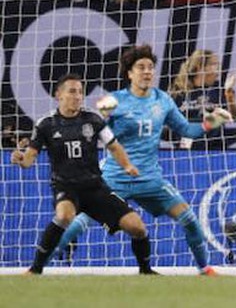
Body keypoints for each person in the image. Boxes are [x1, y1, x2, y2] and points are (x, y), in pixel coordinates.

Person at [53, 45, 233, 275]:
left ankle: (204, 268)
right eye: (141, 67)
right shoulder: (115, 101)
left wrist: (210, 123)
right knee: (81, 221)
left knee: (189, 219)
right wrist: (101, 116)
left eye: (150, 67)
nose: (147, 71)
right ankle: (41, 265)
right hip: (114, 177)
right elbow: (90, 132)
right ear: (130, 73)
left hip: (149, 179)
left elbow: (187, 130)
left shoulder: (163, 100)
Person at [10, 73, 155, 275]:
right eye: (72, 91)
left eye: (80, 92)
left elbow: (114, 146)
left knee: (137, 227)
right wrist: (20, 159)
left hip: (95, 188)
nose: (77, 96)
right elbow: (29, 158)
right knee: (64, 216)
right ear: (58, 95)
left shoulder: (93, 120)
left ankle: (146, 272)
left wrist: (127, 165)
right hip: (65, 187)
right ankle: (35, 270)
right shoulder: (45, 124)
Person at [169, 49, 236, 150]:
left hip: (215, 149)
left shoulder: (219, 89)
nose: (218, 69)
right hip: (185, 150)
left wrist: (229, 95)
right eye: (214, 64)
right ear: (200, 67)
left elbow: (234, 116)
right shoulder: (178, 93)